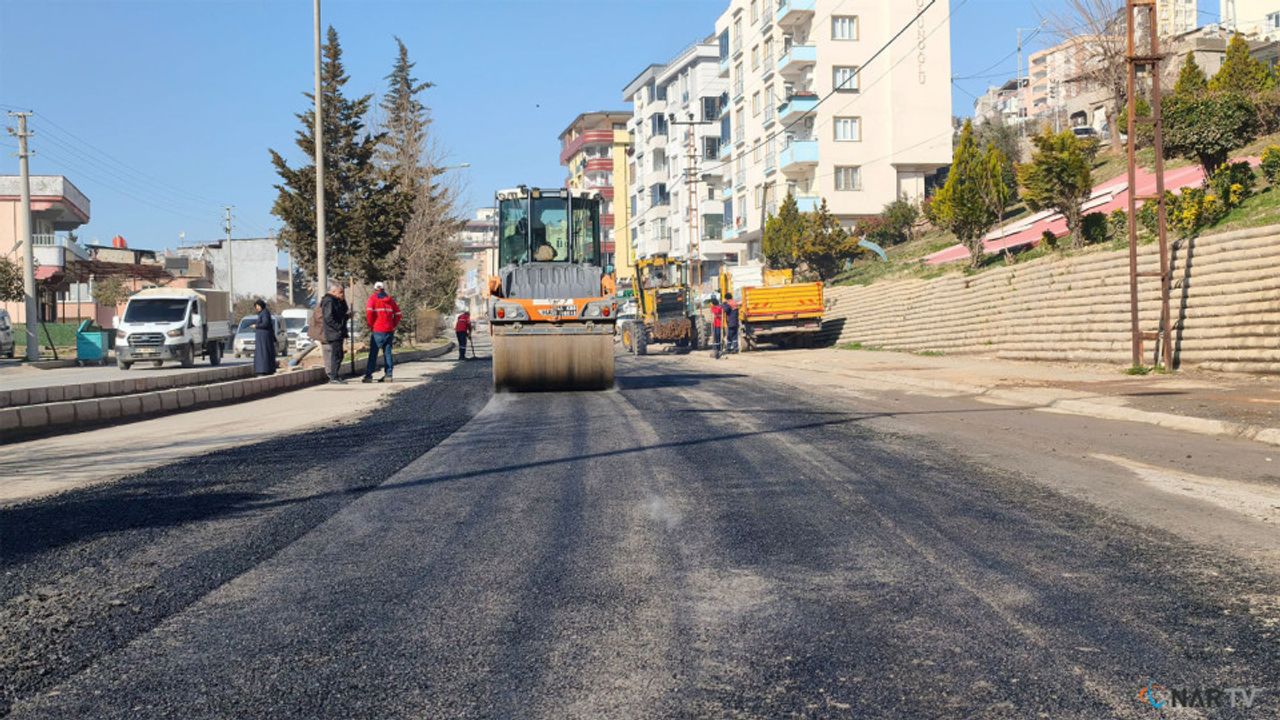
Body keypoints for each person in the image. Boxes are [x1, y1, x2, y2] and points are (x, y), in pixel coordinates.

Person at [363, 281, 402, 384]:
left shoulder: (372, 299)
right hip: (389, 330)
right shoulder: (390, 300)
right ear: (384, 289)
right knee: (388, 353)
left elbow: (369, 313)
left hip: (378, 330)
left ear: (375, 289)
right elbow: (398, 314)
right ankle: (388, 375)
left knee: (373, 354)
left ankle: (368, 376)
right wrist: (393, 325)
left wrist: (371, 325)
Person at [320, 282, 350, 384]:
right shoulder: (329, 301)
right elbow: (328, 318)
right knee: (336, 355)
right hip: (334, 332)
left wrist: (343, 300)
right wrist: (338, 327)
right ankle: (333, 377)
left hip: (338, 332)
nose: (342, 294)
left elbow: (343, 312)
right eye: (340, 292)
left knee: (339, 355)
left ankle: (335, 375)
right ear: (333, 291)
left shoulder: (337, 301)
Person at [250, 299, 277, 376]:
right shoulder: (262, 313)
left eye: (258, 306)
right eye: (256, 306)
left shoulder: (265, 313)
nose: (257, 308)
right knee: (262, 353)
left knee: (264, 353)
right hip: (262, 338)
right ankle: (263, 369)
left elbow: (266, 323)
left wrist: (256, 326)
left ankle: (264, 369)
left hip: (264, 338)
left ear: (262, 305)